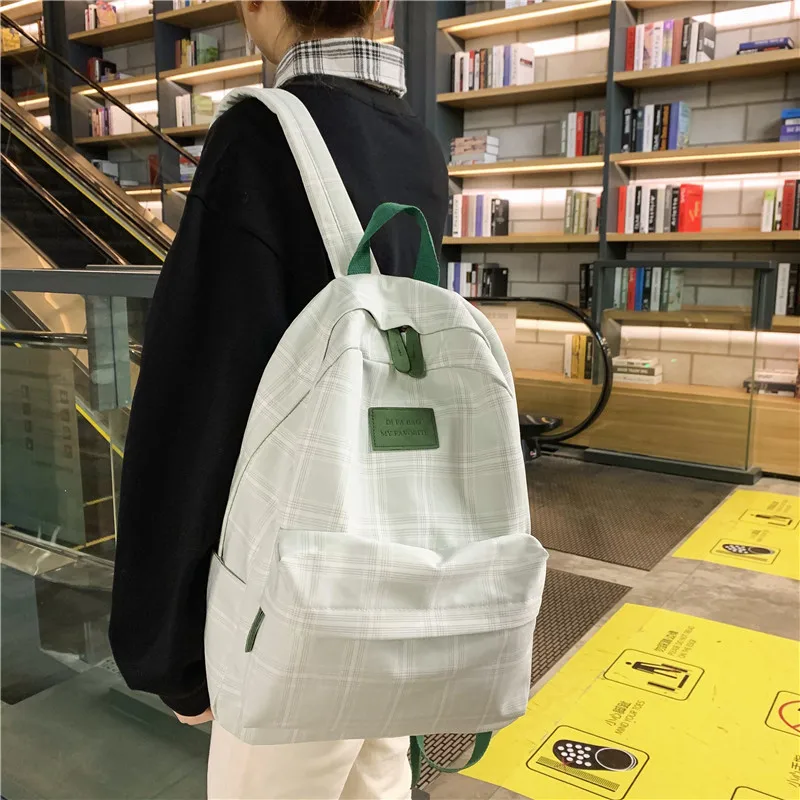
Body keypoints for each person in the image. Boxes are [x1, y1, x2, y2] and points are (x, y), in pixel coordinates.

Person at [109, 1, 448, 798]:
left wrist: (169, 646)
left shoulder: (260, 138)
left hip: (288, 597)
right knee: (377, 776)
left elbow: (199, 399)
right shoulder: (418, 145)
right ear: (385, 7)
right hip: (402, 557)